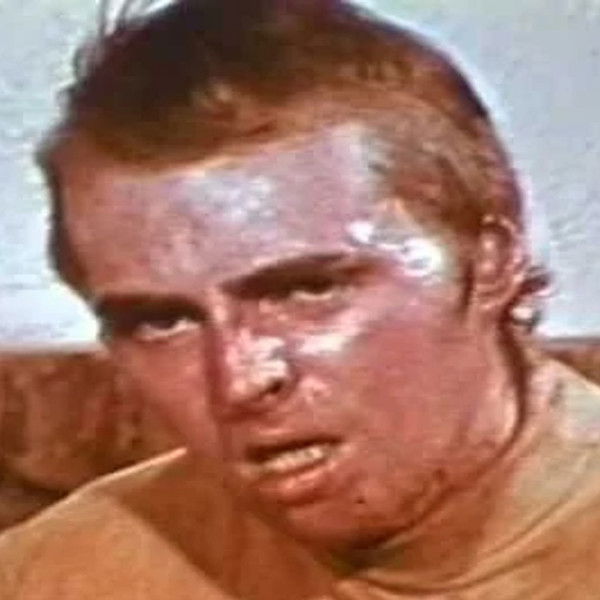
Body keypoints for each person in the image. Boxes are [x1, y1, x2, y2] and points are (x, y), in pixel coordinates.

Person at [2, 0, 600, 598]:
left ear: (490, 262)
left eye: (307, 289)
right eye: (161, 322)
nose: (240, 381)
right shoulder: (54, 574)